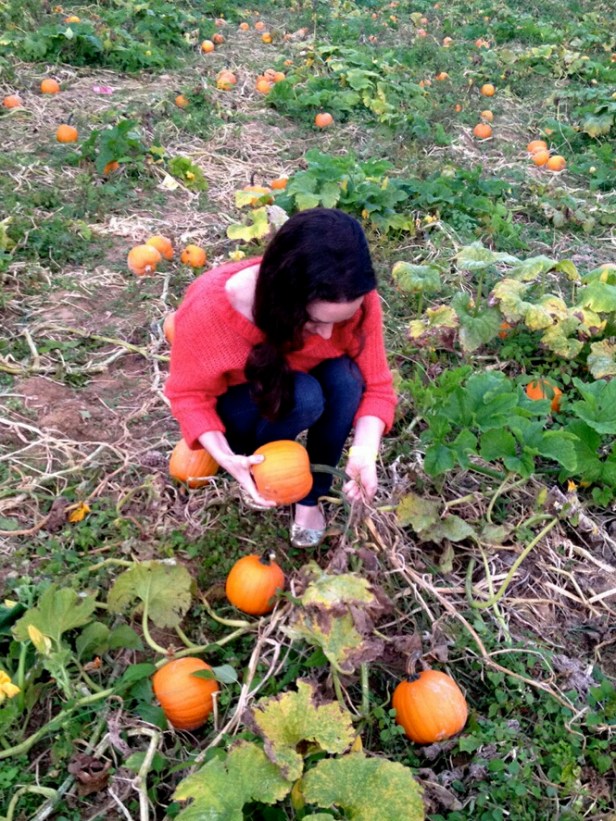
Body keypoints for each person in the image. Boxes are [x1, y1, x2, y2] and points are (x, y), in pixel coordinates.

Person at [165, 208, 397, 547]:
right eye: (316, 322)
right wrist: (223, 454)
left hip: (288, 381)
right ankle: (256, 460)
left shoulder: (349, 294)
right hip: (242, 407)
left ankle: (310, 496)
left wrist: (365, 450)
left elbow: (377, 385)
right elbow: (188, 396)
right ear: (284, 298)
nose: (329, 333)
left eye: (340, 320)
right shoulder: (210, 308)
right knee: (304, 395)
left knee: (346, 377)